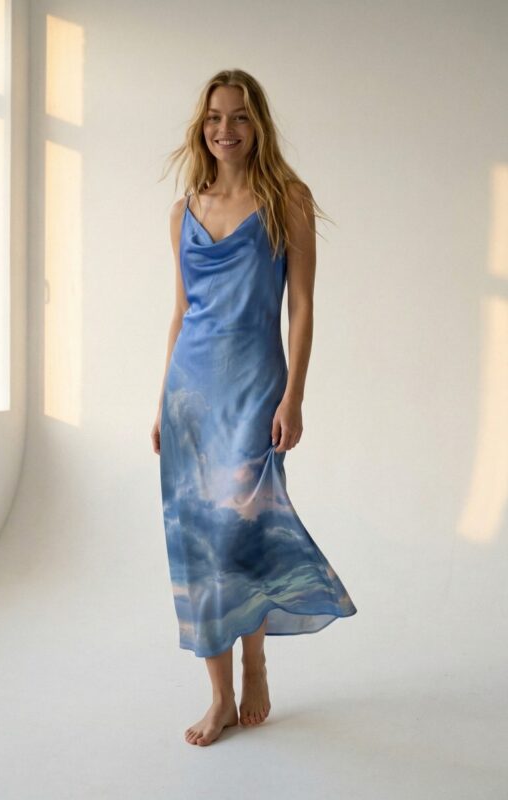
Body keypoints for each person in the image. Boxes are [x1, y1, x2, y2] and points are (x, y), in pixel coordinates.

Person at [150, 69, 357, 747]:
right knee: (198, 540)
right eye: (215, 117)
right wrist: (161, 402)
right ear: (201, 126)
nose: (225, 129)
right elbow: (181, 313)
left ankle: (255, 662)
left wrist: (294, 394)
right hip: (189, 396)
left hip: (253, 389)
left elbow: (302, 307)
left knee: (244, 531)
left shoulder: (286, 200)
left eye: (239, 116)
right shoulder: (183, 211)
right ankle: (219, 696)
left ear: (257, 124)